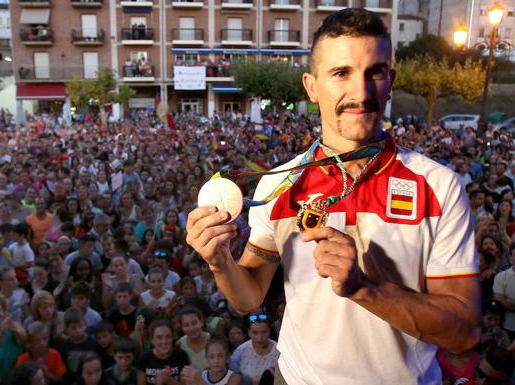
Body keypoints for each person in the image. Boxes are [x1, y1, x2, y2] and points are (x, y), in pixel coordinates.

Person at [186, 8, 480, 384]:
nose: (361, 92)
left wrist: (365, 287)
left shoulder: (440, 186)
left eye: (374, 72)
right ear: (311, 86)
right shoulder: (278, 183)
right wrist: (218, 261)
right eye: (341, 73)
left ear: (390, 81)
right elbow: (248, 299)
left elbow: (465, 332)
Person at [137, 319, 189, 385]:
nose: (164, 341)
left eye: (168, 337)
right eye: (159, 337)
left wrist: (169, 381)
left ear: (172, 338)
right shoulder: (144, 358)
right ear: (152, 340)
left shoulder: (181, 356)